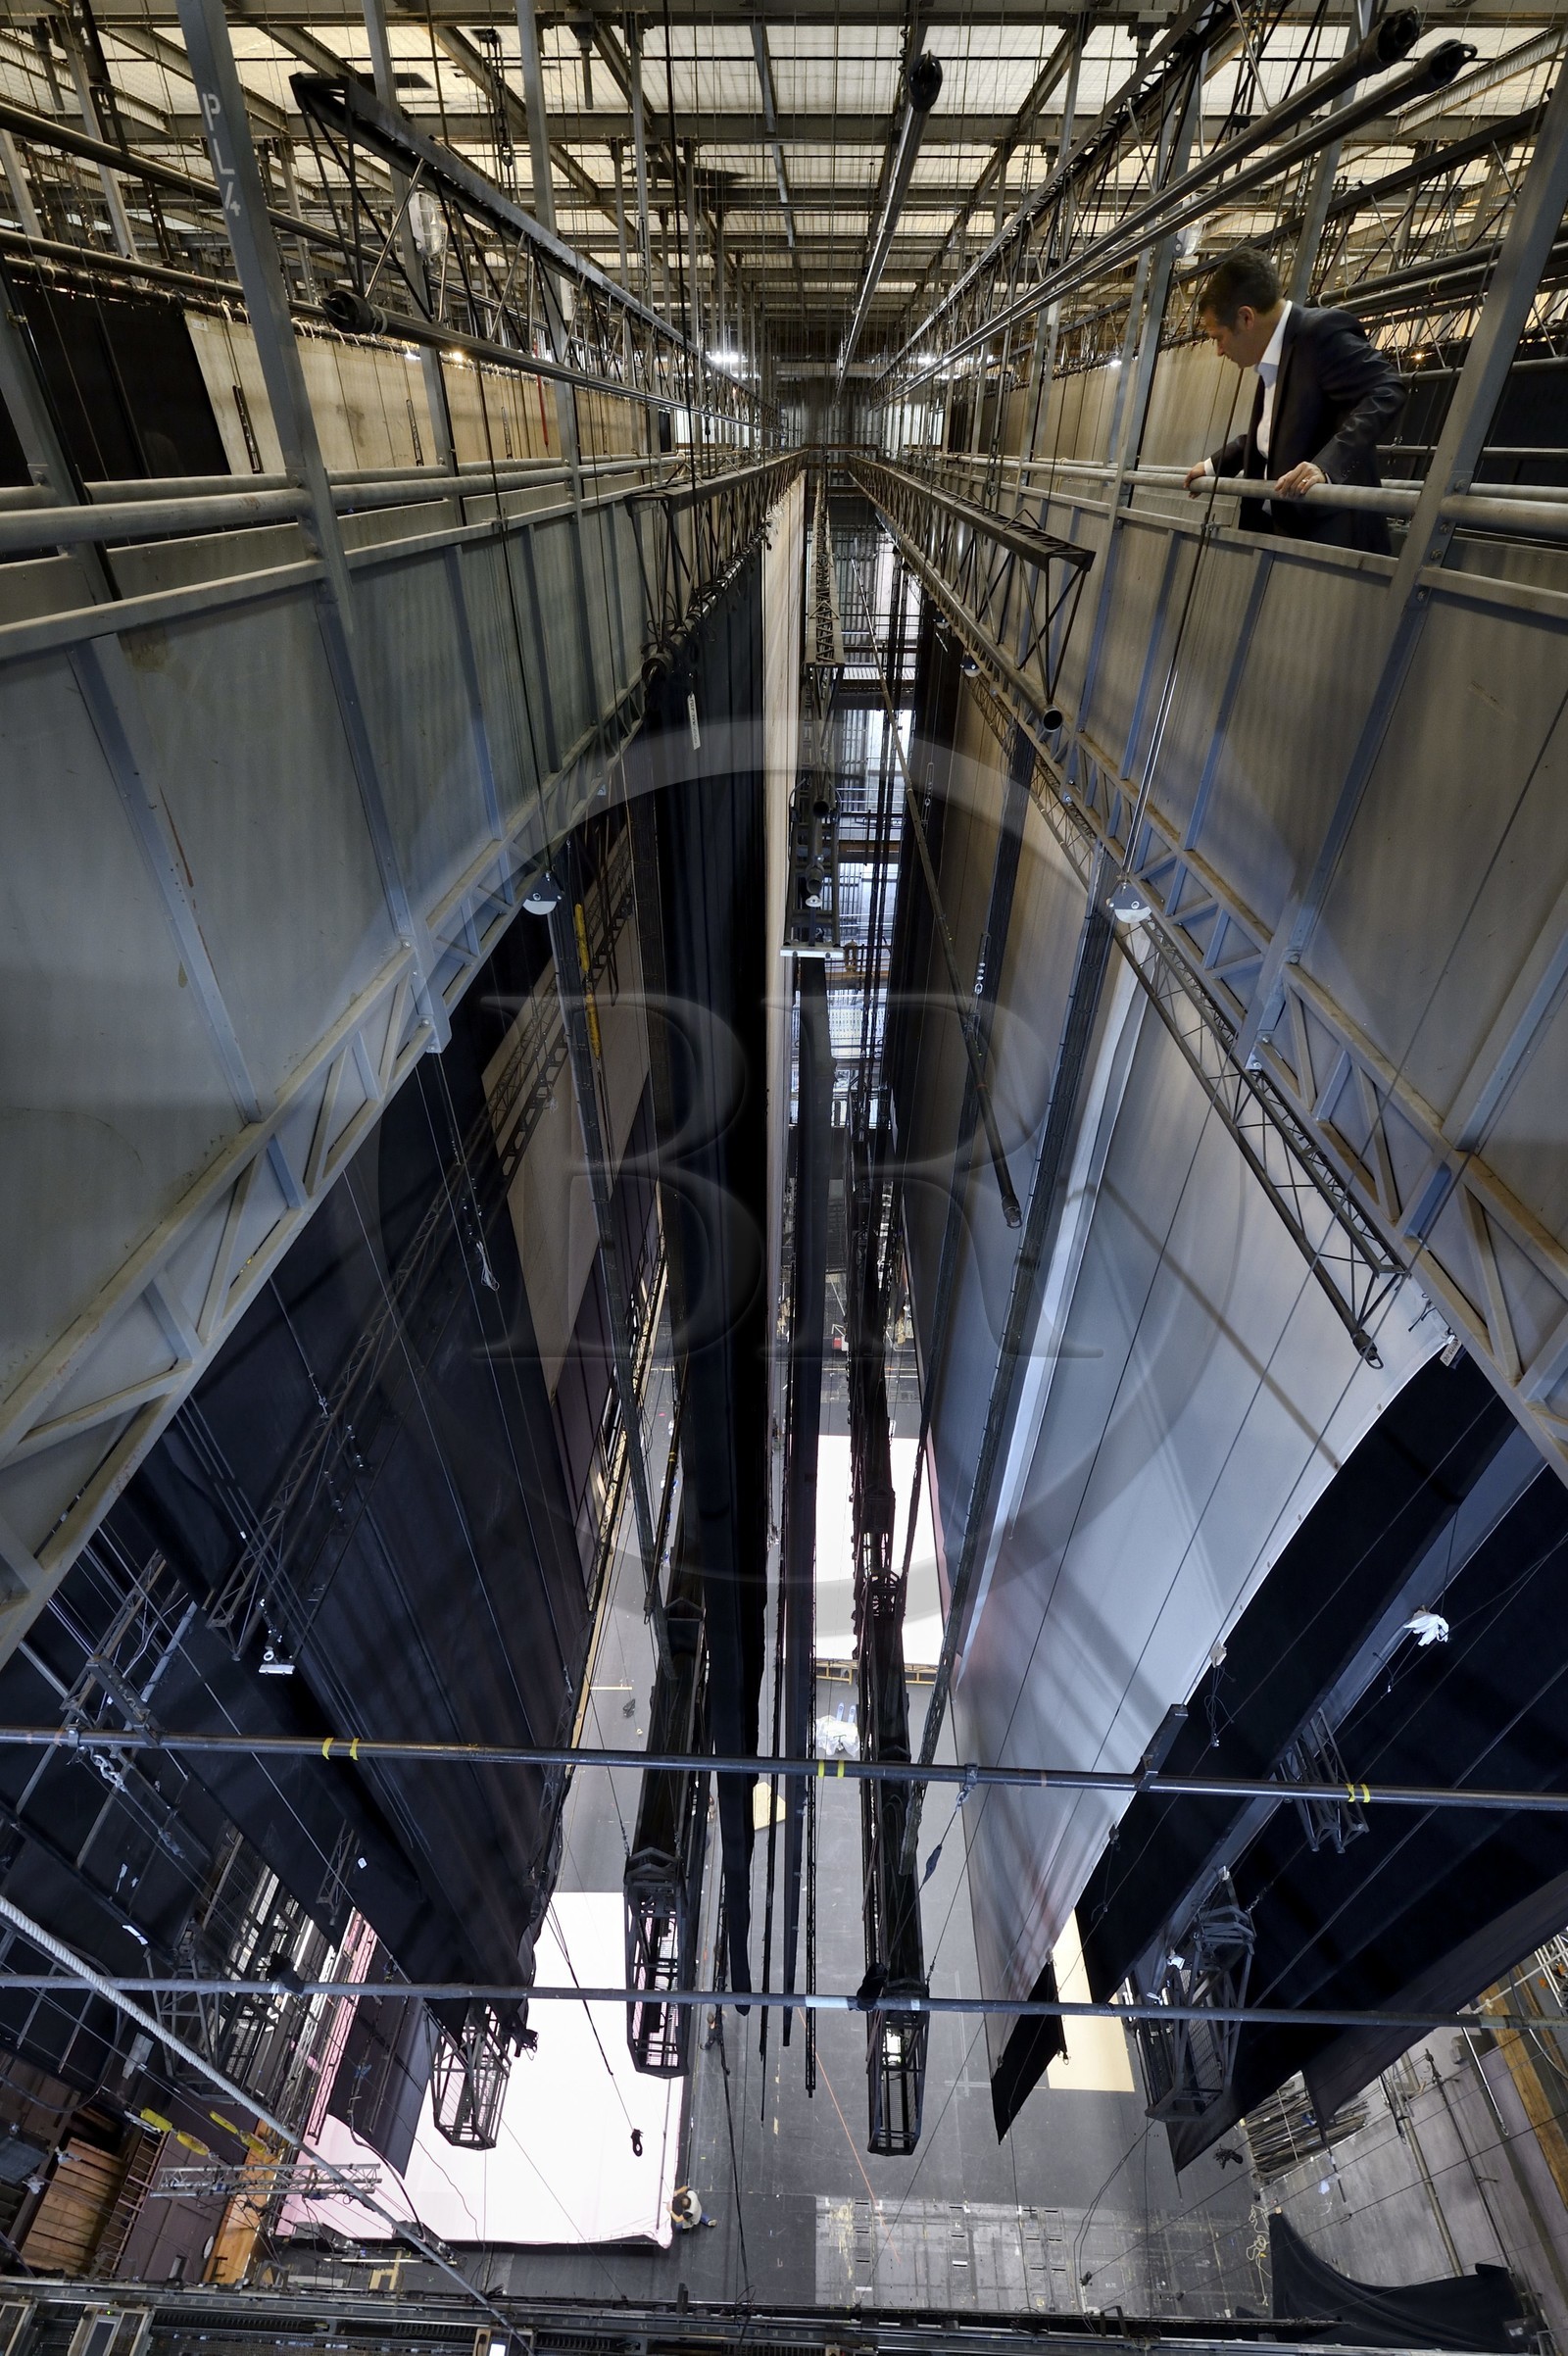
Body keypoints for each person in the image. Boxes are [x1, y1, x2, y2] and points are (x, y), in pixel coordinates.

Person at [1183, 247, 1404, 554]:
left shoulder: (1321, 335)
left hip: (1331, 541)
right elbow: (1273, 433)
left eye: (1218, 337)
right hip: (1288, 534)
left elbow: (1387, 389)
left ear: (1246, 317)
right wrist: (1212, 466)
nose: (1219, 351)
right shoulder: (1277, 354)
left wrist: (1326, 467)